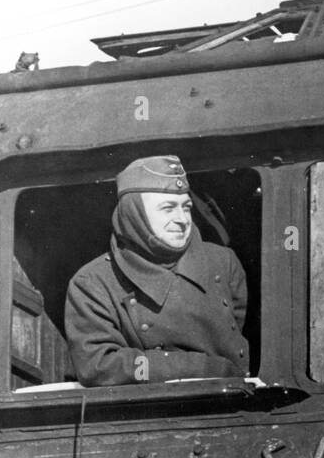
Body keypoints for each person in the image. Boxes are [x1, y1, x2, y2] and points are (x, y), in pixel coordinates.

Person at [65, 156, 249, 386]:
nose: (182, 220)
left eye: (186, 207)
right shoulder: (93, 281)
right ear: (135, 213)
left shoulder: (223, 262)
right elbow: (98, 365)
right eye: (168, 208)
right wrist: (205, 368)